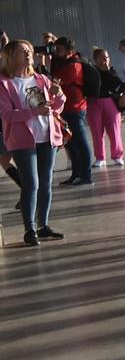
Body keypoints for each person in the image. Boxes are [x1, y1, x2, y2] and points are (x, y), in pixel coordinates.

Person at [1, 38, 63, 246]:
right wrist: (35, 112)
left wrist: (59, 96)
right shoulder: (4, 83)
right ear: (10, 56)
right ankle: (29, 229)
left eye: (29, 51)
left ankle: (42, 225)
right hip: (23, 140)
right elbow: (7, 115)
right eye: (22, 52)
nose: (28, 54)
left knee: (46, 184)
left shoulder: (40, 79)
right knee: (31, 184)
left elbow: (55, 107)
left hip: (46, 136)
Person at [51, 38, 95, 186]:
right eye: (56, 49)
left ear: (69, 51)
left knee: (80, 143)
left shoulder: (73, 65)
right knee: (71, 143)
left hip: (75, 109)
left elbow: (56, 82)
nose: (56, 52)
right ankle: (76, 174)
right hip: (66, 109)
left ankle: (86, 175)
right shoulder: (63, 63)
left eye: (60, 49)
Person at [88, 48, 125, 166]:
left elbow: (119, 85)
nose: (104, 60)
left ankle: (117, 155)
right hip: (94, 102)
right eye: (101, 58)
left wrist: (107, 72)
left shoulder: (112, 72)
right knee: (96, 131)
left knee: (114, 129)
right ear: (96, 60)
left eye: (106, 57)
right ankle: (100, 157)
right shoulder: (92, 72)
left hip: (109, 101)